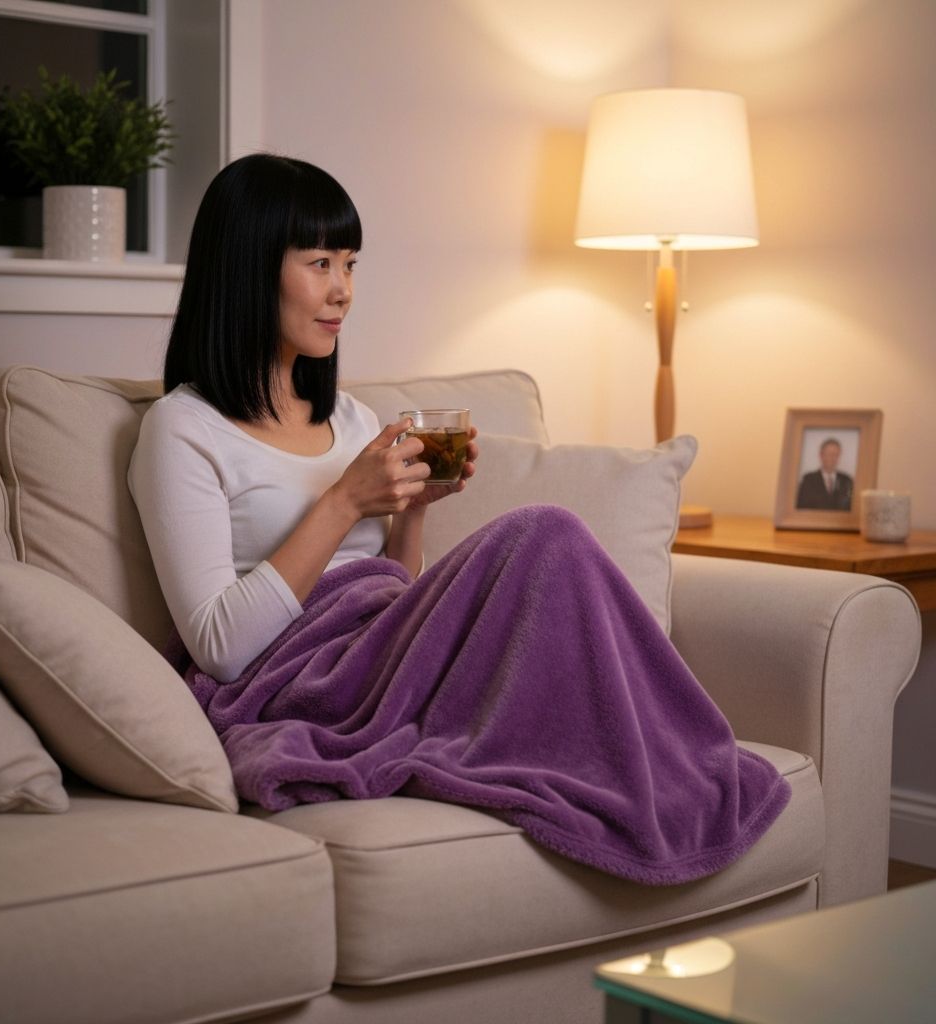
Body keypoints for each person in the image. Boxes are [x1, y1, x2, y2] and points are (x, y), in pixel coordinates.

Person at [128, 153, 789, 885]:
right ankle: (676, 752)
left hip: (378, 652)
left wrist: (412, 514)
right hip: (293, 676)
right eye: (320, 262)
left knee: (543, 558)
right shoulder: (182, 429)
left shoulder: (349, 419)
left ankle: (665, 757)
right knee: (546, 532)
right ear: (249, 269)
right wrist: (345, 500)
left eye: (351, 264)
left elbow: (391, 591)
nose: (343, 290)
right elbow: (219, 646)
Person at [796, 437, 854, 511]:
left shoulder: (847, 480)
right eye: (829, 454)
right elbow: (801, 508)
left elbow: (850, 508)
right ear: (821, 455)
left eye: (836, 454)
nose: (832, 458)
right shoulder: (808, 480)